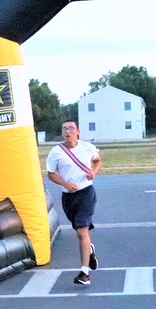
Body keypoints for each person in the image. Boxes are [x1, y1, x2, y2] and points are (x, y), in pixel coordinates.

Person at [46, 119, 102, 285]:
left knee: (81, 232)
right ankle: (89, 249)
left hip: (86, 193)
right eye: (65, 129)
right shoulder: (56, 152)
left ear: (78, 131)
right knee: (80, 231)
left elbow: (97, 160)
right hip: (68, 197)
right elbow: (51, 174)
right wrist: (65, 183)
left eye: (71, 128)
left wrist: (94, 172)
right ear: (62, 133)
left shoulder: (87, 147)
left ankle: (84, 274)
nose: (68, 131)